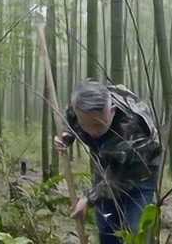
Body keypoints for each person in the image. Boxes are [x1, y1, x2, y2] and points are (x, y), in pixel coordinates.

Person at [54, 80, 162, 244]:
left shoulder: (134, 128)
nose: (92, 132)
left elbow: (119, 179)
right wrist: (67, 136)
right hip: (106, 167)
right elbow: (70, 121)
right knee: (107, 227)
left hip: (140, 173)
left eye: (98, 125)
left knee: (137, 230)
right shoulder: (79, 108)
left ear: (112, 111)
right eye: (86, 125)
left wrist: (89, 199)